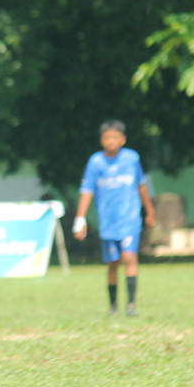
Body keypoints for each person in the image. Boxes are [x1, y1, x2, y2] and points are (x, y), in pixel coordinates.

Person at [72, 119, 156, 317]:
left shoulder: (131, 159)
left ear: (123, 140)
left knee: (129, 257)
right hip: (108, 223)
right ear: (101, 140)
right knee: (113, 263)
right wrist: (80, 219)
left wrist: (150, 212)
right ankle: (113, 306)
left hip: (130, 220)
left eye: (114, 137)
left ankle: (131, 305)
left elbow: (141, 186)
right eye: (106, 137)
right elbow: (87, 190)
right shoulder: (96, 162)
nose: (110, 141)